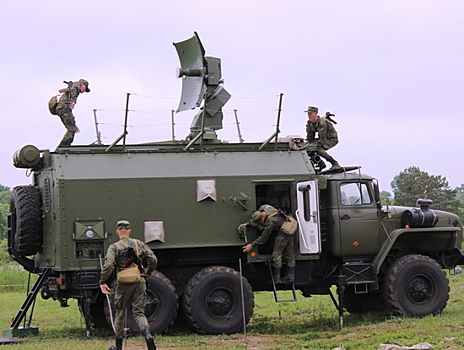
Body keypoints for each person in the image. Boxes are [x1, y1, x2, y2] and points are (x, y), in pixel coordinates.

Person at [100, 220, 158, 350]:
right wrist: (147, 273)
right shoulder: (139, 244)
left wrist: (102, 281)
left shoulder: (115, 247)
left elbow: (109, 265)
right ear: (129, 231)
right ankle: (148, 336)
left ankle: (119, 346)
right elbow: (153, 259)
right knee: (139, 313)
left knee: (120, 312)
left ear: (117, 232)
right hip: (139, 280)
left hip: (123, 283)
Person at [239, 204, 295, 283]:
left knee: (277, 253)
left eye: (259, 222)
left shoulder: (271, 222)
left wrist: (251, 245)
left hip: (284, 231)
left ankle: (277, 278)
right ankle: (291, 276)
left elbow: (264, 238)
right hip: (290, 226)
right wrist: (247, 224)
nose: (259, 223)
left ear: (263, 218)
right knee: (289, 253)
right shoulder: (266, 208)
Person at [56, 79, 91, 147]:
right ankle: (63, 146)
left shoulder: (74, 87)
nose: (83, 92)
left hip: (62, 108)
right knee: (72, 130)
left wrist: (74, 124)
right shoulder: (76, 85)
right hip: (64, 107)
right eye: (85, 89)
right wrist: (73, 102)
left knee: (72, 128)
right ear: (83, 84)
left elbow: (70, 115)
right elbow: (74, 90)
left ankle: (64, 146)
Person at [305, 106, 340, 170]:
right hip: (322, 138)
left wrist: (313, 146)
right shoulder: (310, 123)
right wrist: (306, 145)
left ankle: (334, 163)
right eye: (308, 114)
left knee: (317, 148)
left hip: (331, 139)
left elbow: (322, 139)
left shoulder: (322, 122)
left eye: (310, 114)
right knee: (307, 148)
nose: (308, 116)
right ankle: (320, 163)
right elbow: (310, 137)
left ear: (315, 114)